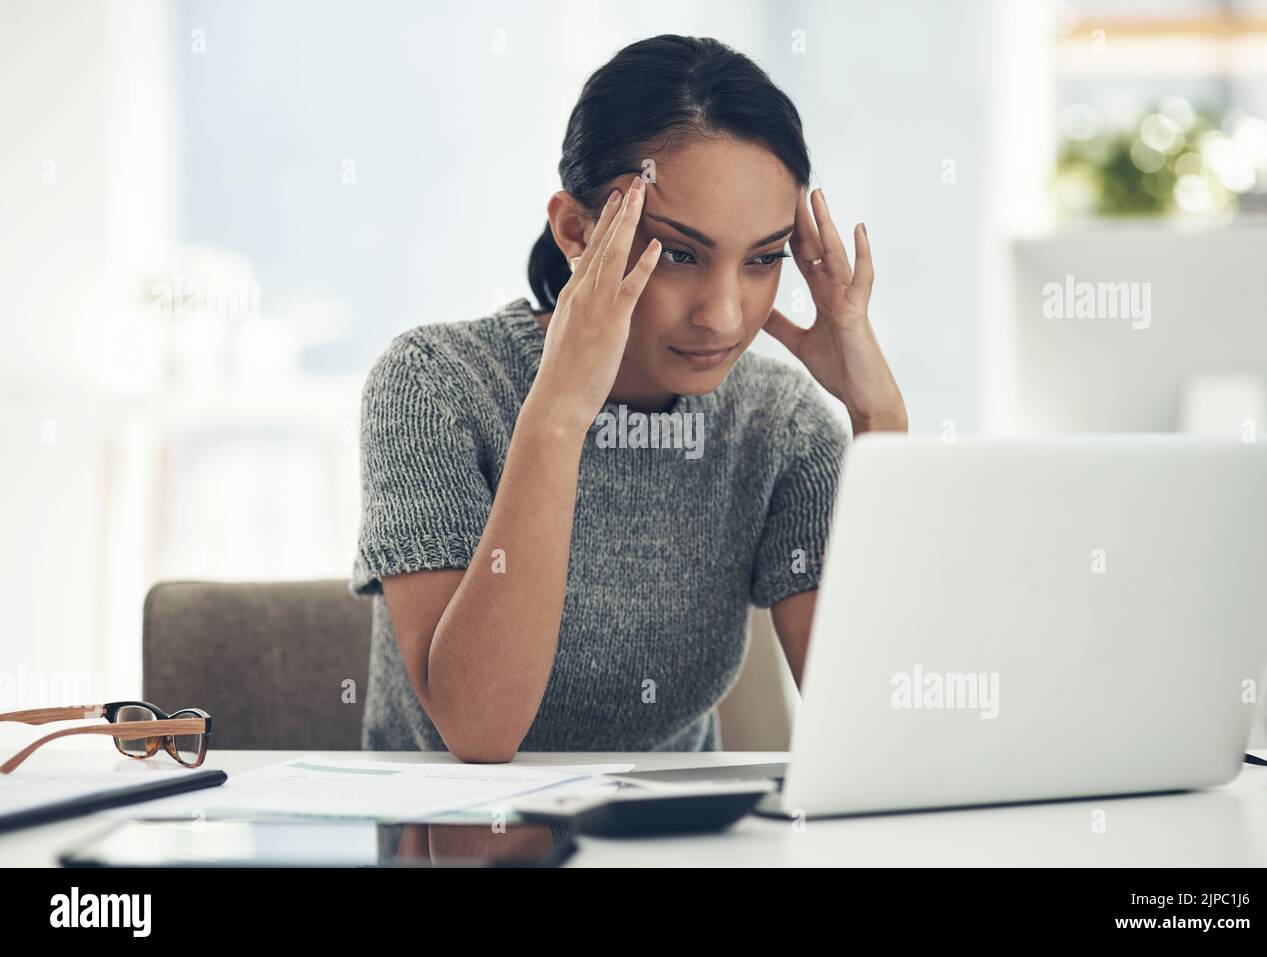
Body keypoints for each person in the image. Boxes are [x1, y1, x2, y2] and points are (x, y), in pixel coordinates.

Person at [348, 34, 906, 761]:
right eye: (679, 253)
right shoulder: (433, 385)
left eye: (764, 259)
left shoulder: (779, 424)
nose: (725, 316)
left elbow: (879, 728)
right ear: (577, 230)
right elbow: (479, 729)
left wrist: (879, 422)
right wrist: (556, 415)